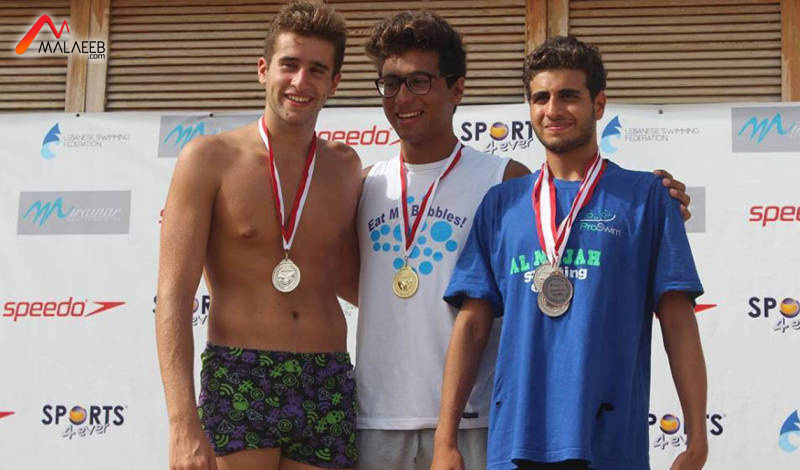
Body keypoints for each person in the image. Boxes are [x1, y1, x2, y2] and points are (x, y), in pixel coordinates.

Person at [349, 13, 694, 470]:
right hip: (390, 419)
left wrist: (656, 206)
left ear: (456, 89)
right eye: (391, 84)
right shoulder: (367, 184)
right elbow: (347, 280)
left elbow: (672, 315)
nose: (403, 97)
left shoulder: (505, 180)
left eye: (419, 81)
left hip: (498, 424)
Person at [432, 36, 708, 470]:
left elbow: (678, 320)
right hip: (516, 444)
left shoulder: (646, 198)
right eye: (540, 98)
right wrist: (445, 439)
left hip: (608, 444)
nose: (553, 109)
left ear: (599, 104)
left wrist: (696, 438)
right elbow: (471, 325)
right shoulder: (502, 204)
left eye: (568, 96)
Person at [155, 2, 361, 470]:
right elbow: (173, 296)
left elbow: (354, 280)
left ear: (334, 83)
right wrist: (182, 423)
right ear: (264, 69)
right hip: (242, 371)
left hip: (327, 375)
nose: (300, 81)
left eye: (317, 70)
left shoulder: (346, 167)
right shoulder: (209, 159)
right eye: (289, 64)